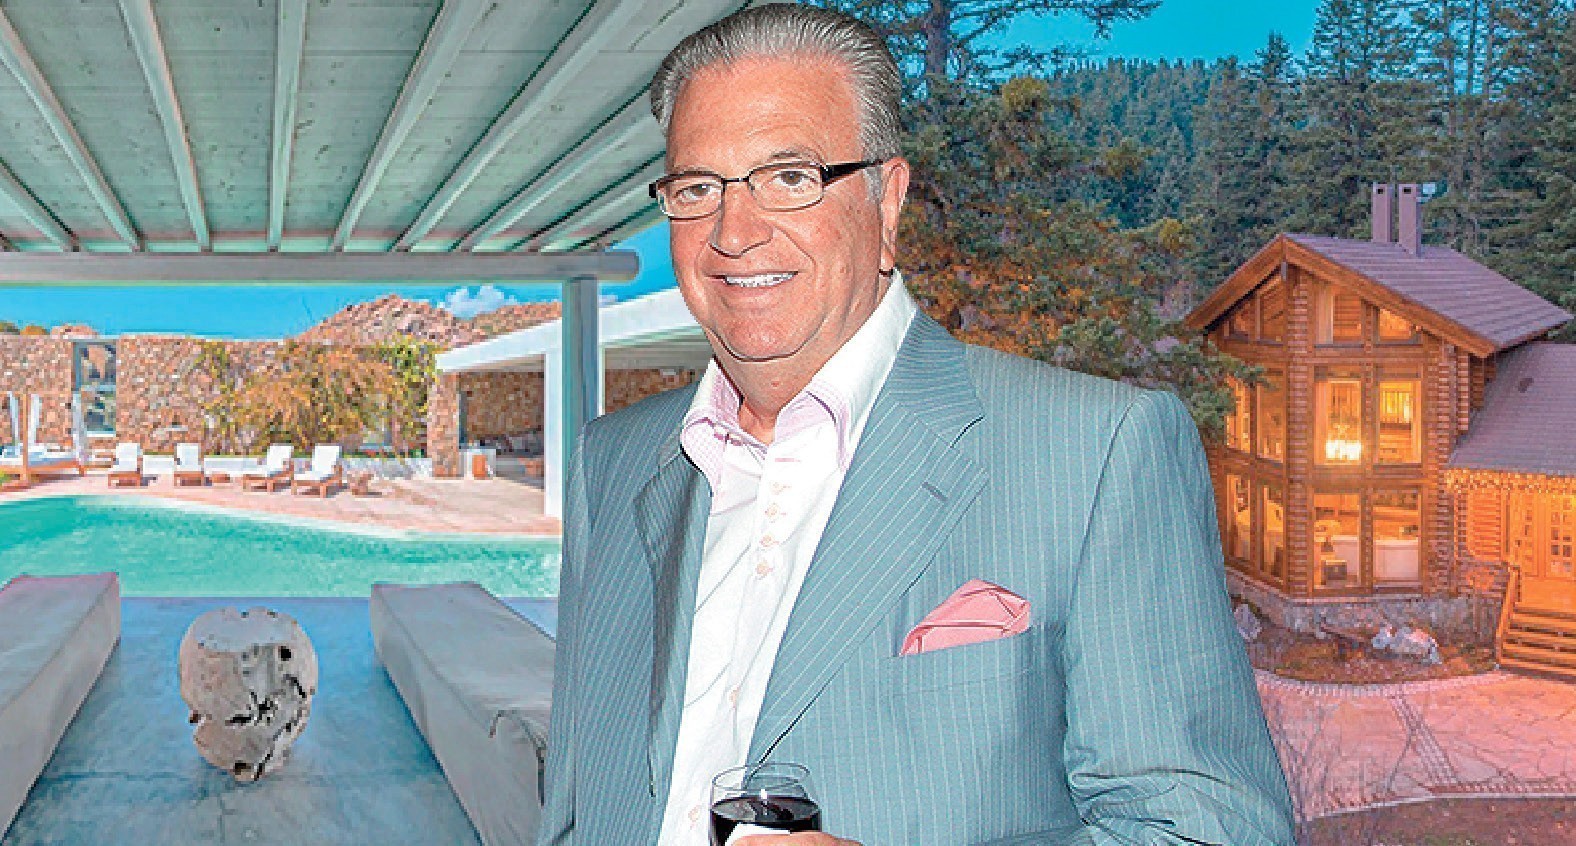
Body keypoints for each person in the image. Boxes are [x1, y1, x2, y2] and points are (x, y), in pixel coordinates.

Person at [537, 4, 1295, 844]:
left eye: (790, 178)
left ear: (888, 203)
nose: (734, 232)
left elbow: (1210, 831)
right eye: (696, 189)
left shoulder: (1095, 454)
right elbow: (572, 812)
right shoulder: (610, 462)